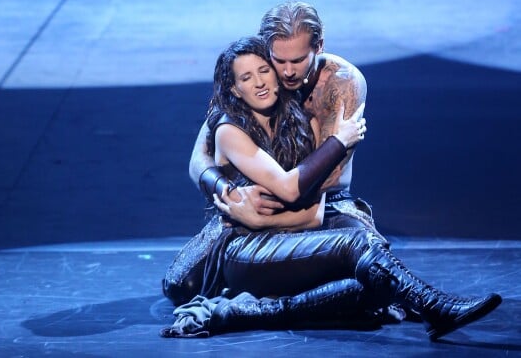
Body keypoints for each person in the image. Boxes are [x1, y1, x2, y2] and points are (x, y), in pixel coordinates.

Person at [162, 37, 501, 339]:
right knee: (357, 244)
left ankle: (252, 313)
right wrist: (339, 140)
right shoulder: (229, 129)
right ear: (235, 89)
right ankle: (434, 306)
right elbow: (289, 189)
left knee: (371, 283)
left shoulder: (301, 118)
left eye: (264, 71)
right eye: (247, 78)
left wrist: (267, 221)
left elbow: (315, 212)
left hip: (281, 239)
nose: (262, 82)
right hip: (243, 250)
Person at [189, 1, 377, 235]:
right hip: (260, 203)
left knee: (360, 238)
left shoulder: (341, 82)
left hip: (322, 205)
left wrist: (262, 217)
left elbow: (322, 183)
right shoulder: (257, 72)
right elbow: (199, 157)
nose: (288, 72)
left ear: (318, 47)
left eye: (298, 61)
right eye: (279, 60)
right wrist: (230, 191)